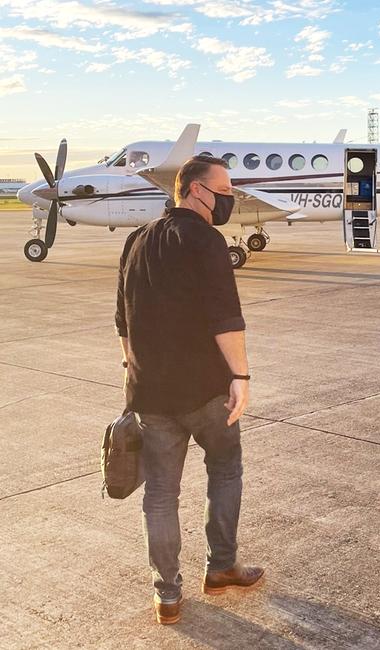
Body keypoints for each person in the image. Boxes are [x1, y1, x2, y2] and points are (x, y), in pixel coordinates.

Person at [115, 154, 264, 625]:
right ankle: (221, 568)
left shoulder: (137, 241)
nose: (229, 199)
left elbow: (123, 321)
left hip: (150, 394)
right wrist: (240, 376)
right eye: (224, 190)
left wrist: (132, 369)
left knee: (160, 494)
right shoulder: (206, 240)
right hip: (204, 390)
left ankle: (168, 596)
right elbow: (226, 316)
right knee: (224, 469)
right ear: (195, 189)